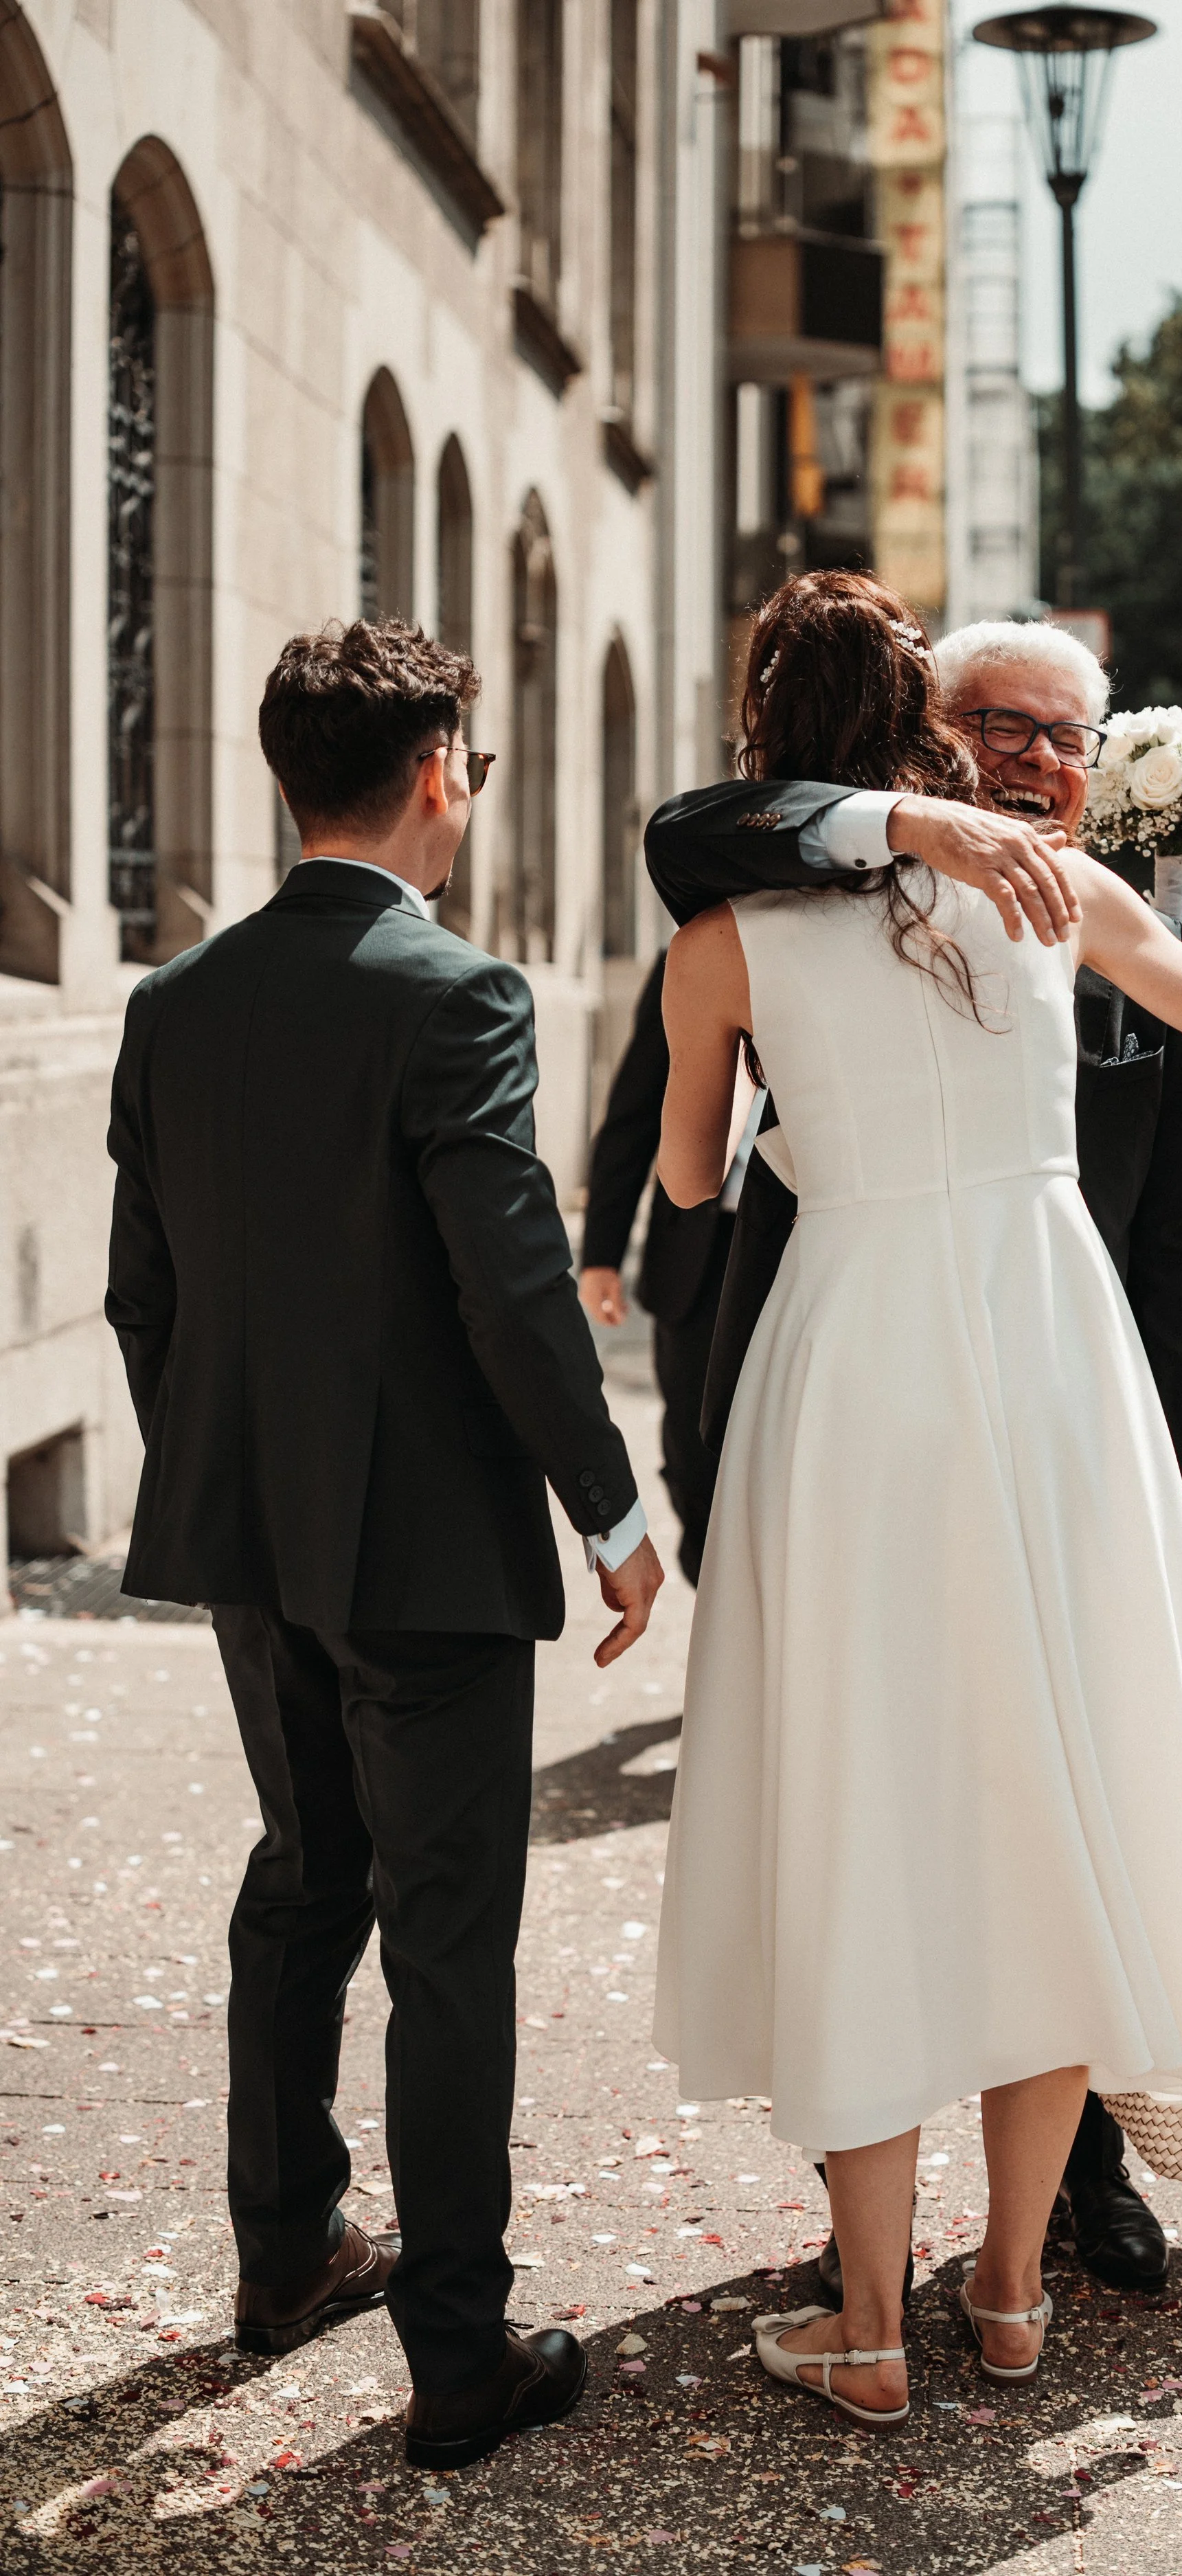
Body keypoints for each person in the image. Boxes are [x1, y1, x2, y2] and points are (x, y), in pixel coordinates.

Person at [650, 574, 1182, 2426]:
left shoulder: (719, 936)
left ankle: (865, 2326)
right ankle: (1009, 2292)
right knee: (1048, 1789)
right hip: (1043, 1362)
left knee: (859, 1798)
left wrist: (789, 1116)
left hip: (849, 1360)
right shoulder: (1057, 900)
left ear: (767, 743)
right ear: (932, 735)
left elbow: (690, 1177)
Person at [105, 620, 663, 2472]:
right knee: (444, 1937)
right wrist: (610, 1503)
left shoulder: (174, 1002)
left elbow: (143, 1294)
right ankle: (455, 2355)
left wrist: (226, 1462)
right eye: (476, 769)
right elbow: (511, 1286)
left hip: (249, 1530)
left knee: (299, 1871)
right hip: (422, 1547)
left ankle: (282, 2256)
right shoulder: (457, 996)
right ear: (436, 767)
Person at [580, 951, 760, 1584]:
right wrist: (600, 1253)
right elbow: (633, 1112)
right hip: (699, 1255)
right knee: (691, 1454)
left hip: (806, 1248)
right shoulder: (695, 952)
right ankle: (719, 1605)